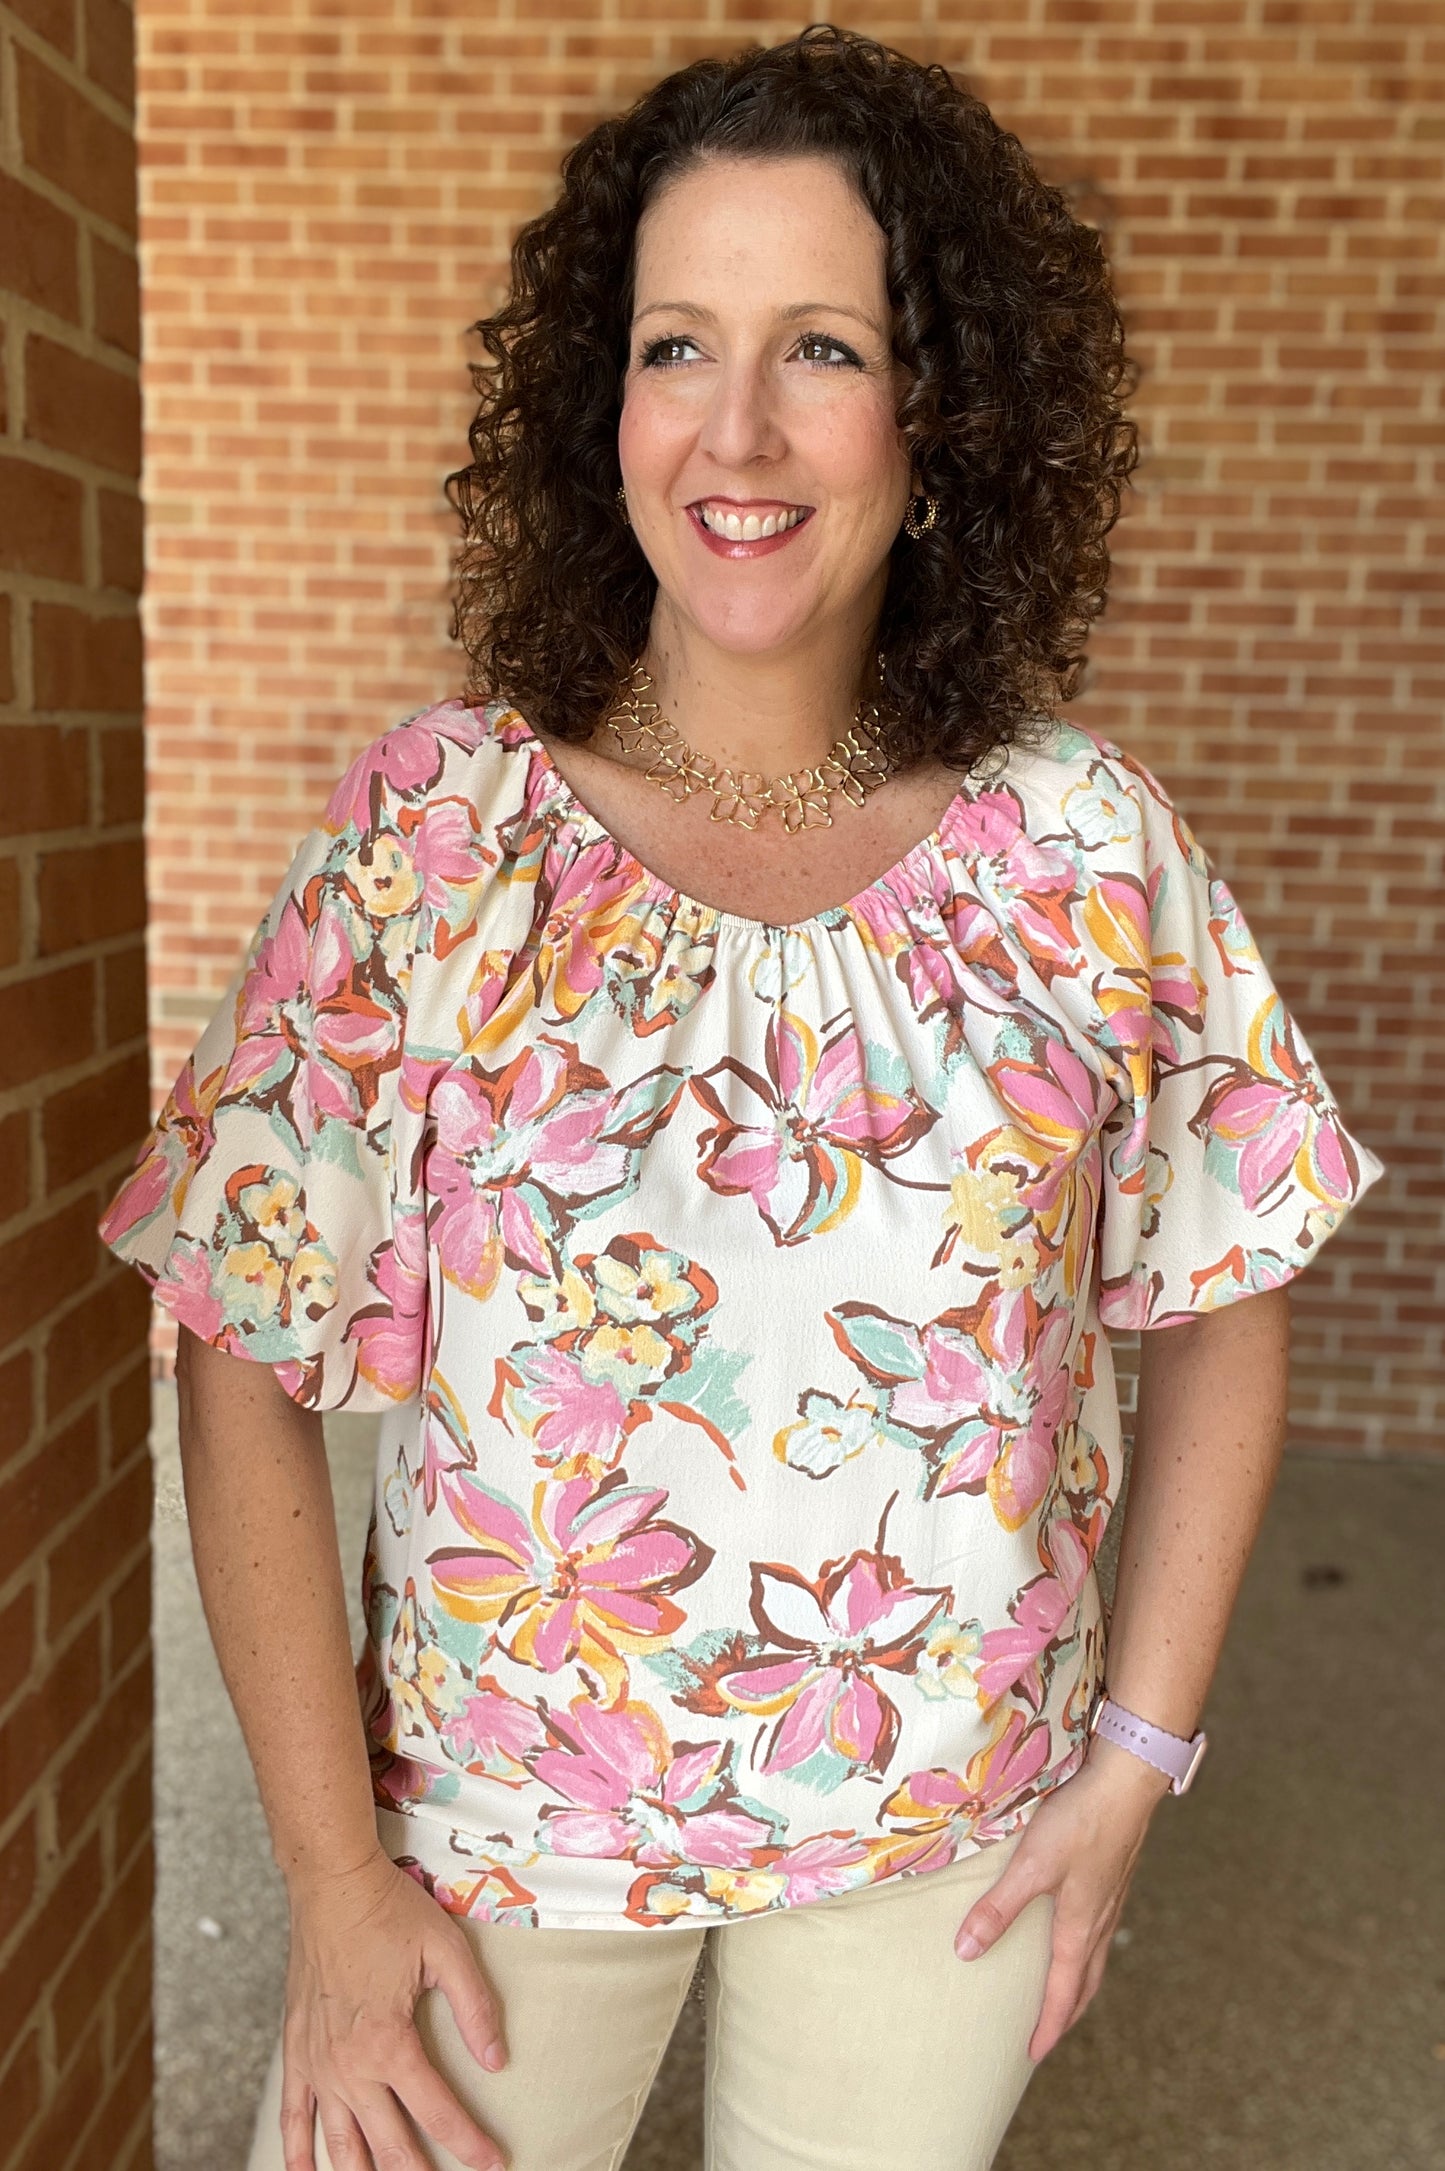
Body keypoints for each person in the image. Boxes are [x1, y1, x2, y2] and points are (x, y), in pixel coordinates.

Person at [100, 24, 1383, 2171]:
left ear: (942, 413)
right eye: (678, 345)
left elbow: (1227, 1284)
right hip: (490, 1842)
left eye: (824, 346)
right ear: (598, 408)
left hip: (942, 1839)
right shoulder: (442, 837)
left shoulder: (1083, 851)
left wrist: (1137, 1765)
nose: (743, 428)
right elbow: (240, 1350)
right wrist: (329, 1887)